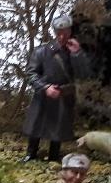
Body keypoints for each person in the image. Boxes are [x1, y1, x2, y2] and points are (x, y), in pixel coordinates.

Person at [22, 15, 92, 162]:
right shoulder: (42, 51)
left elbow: (85, 74)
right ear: (54, 32)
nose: (62, 36)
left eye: (65, 32)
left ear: (70, 31)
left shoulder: (75, 52)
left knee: (58, 128)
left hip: (64, 95)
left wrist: (77, 54)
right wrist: (45, 87)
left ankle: (54, 156)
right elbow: (30, 74)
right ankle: (31, 153)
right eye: (59, 33)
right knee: (37, 125)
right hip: (44, 95)